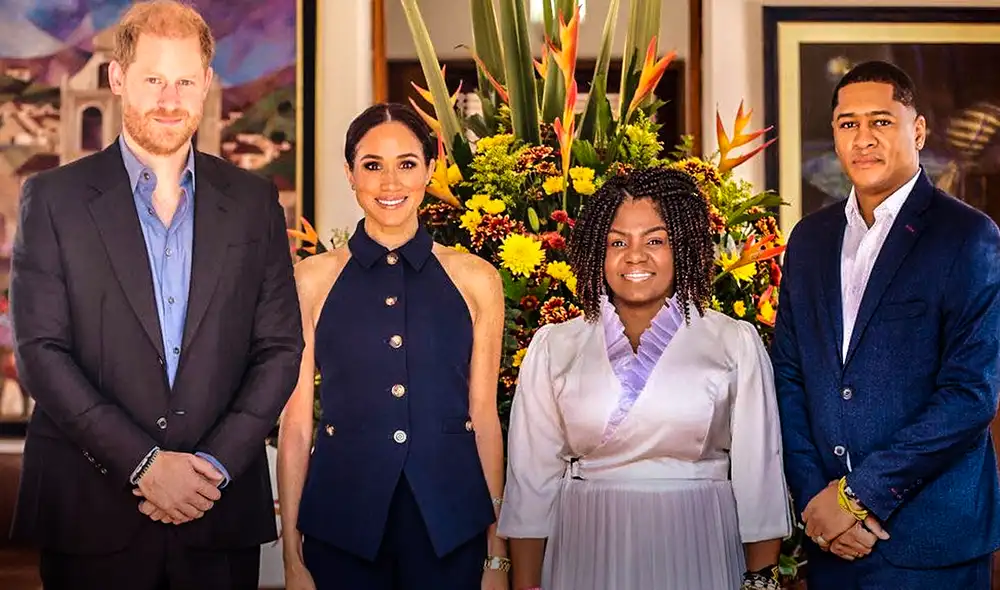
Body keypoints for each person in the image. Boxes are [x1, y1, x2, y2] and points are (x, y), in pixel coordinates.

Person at [8, 1, 304, 588]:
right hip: (90, 516)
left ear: (207, 84)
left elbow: (279, 349)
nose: (170, 99)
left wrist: (211, 468)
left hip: (217, 512)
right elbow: (41, 353)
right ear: (119, 79)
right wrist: (143, 466)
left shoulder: (253, 203)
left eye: (185, 81)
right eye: (153, 79)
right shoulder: (52, 200)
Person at [497, 167, 792, 590]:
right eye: (618, 242)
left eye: (655, 241)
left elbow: (758, 475)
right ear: (597, 250)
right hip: (586, 546)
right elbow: (531, 480)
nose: (635, 256)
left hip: (700, 542)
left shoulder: (733, 341)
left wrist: (761, 583)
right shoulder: (555, 345)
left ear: (684, 248)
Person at [773, 59, 1000, 589]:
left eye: (881, 120)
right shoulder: (810, 239)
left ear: (917, 129)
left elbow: (970, 393)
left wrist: (857, 496)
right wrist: (815, 500)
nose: (863, 138)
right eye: (848, 123)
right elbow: (788, 373)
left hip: (929, 542)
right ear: (834, 134)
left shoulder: (967, 236)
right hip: (830, 539)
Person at [276, 102, 509, 590]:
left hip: (453, 527)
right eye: (372, 165)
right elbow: (297, 425)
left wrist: (496, 554)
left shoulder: (476, 279)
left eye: (406, 164)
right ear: (349, 174)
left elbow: (484, 418)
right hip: (341, 527)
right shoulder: (310, 280)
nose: (390, 183)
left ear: (429, 169)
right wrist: (292, 560)